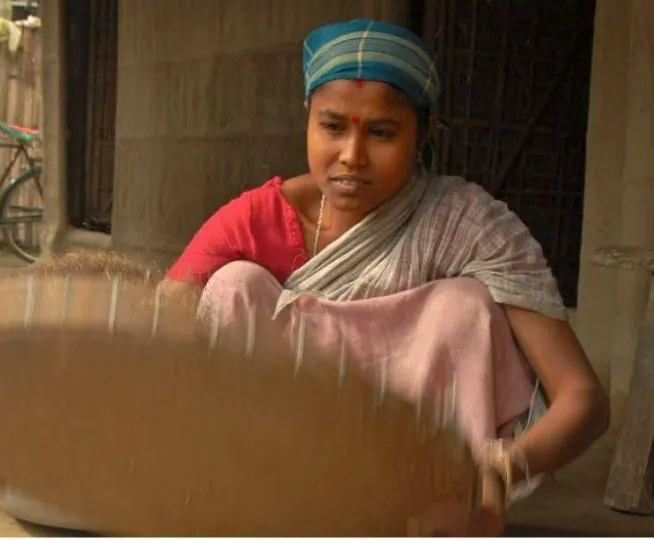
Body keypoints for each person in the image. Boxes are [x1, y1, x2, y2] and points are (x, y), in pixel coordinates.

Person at [162, 18, 609, 536]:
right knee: (234, 286)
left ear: (423, 134)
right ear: (307, 119)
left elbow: (584, 400)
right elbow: (157, 337)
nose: (352, 155)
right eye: (332, 127)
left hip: (421, 486)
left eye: (381, 132)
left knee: (462, 307)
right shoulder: (254, 218)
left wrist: (501, 468)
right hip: (277, 474)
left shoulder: (468, 225)